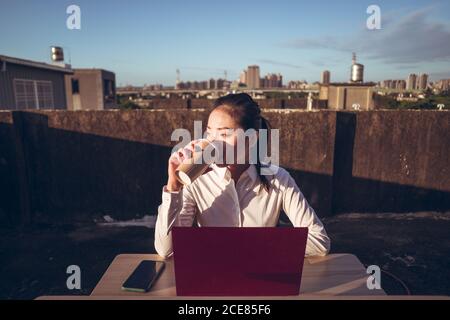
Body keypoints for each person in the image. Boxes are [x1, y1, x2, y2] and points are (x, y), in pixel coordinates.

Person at [154, 93, 330, 258]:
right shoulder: (197, 180)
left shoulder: (277, 178)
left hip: (262, 281)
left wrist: (252, 245)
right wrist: (174, 188)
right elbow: (167, 250)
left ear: (251, 139)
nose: (213, 142)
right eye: (209, 133)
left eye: (223, 134)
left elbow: (319, 241)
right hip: (213, 280)